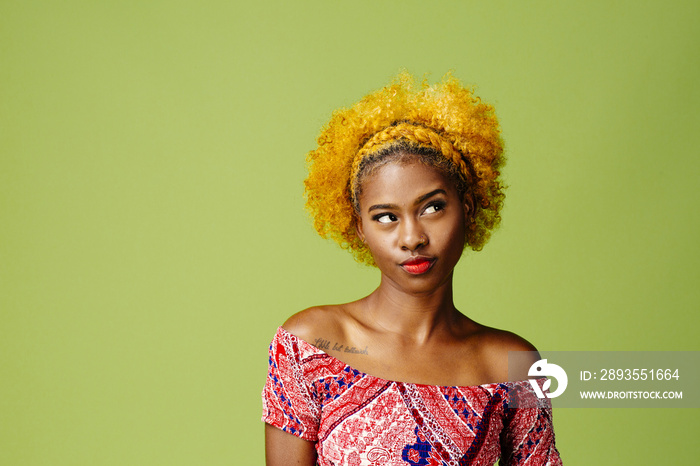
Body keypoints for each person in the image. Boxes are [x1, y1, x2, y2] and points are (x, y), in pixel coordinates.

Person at [261, 73, 562, 465]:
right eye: (386, 217)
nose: (412, 237)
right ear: (359, 229)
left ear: (468, 209)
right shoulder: (310, 345)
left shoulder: (514, 364)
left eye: (432, 207)